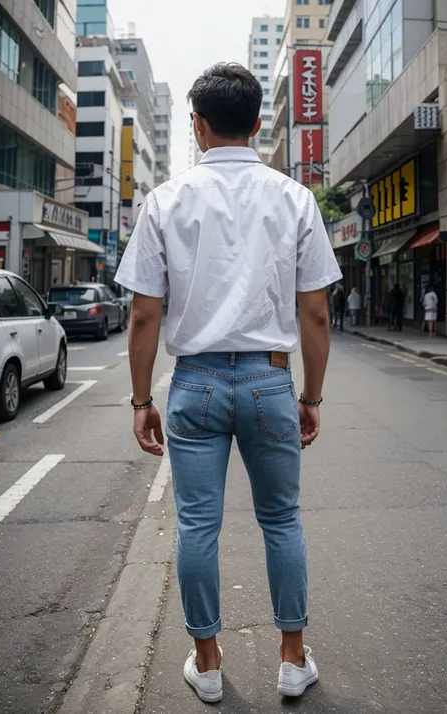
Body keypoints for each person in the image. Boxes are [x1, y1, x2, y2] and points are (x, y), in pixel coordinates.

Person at [115, 63, 342, 704]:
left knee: (197, 526)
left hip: (196, 383)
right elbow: (316, 312)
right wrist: (311, 397)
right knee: (281, 521)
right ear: (257, 123)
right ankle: (293, 659)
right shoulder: (294, 198)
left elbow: (143, 315)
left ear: (199, 124)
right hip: (271, 380)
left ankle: (207, 663)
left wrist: (140, 401)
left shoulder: (165, 200)